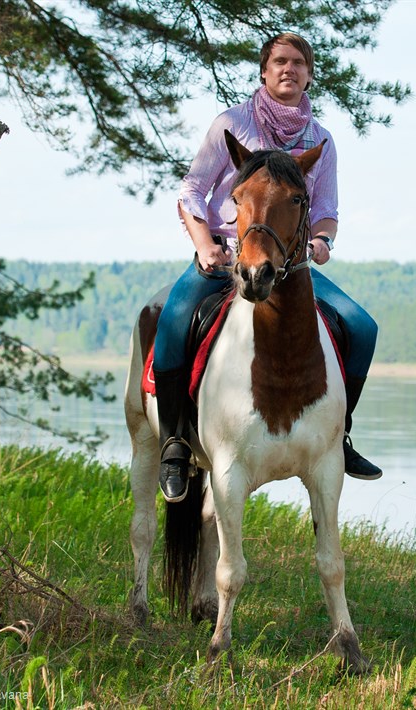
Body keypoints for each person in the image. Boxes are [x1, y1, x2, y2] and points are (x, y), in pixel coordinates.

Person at [152, 32, 382, 502]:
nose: (288, 69)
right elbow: (191, 190)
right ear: (264, 70)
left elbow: (326, 210)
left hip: (289, 266)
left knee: (362, 327)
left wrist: (322, 240)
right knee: (173, 319)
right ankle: (174, 442)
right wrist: (204, 245)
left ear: (309, 74)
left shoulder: (321, 140)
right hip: (225, 257)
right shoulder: (231, 125)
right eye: (279, 61)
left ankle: (339, 434)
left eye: (298, 62)